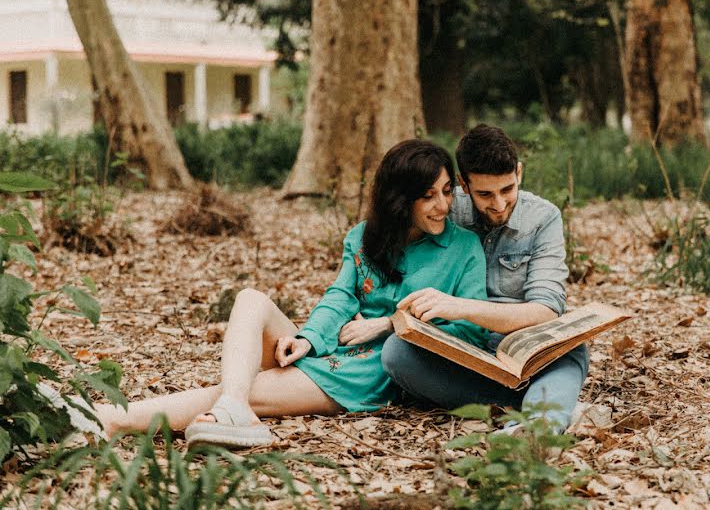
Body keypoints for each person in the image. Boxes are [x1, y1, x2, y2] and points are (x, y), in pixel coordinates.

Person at [93, 139, 490, 447]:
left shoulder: (464, 248)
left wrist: (388, 325)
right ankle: (235, 409)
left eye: (447, 191)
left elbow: (469, 334)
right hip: (332, 345)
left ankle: (111, 418)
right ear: (401, 201)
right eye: (429, 196)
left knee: (250, 389)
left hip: (370, 371)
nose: (444, 205)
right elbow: (340, 297)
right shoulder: (364, 237)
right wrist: (307, 338)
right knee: (250, 299)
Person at [382, 124, 589, 432]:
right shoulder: (447, 210)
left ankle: (537, 430)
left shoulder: (544, 218)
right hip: (459, 342)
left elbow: (545, 309)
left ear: (519, 173)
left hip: (522, 341)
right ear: (463, 184)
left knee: (572, 349)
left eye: (507, 189)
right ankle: (538, 407)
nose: (499, 204)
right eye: (485, 194)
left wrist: (461, 306)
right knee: (396, 353)